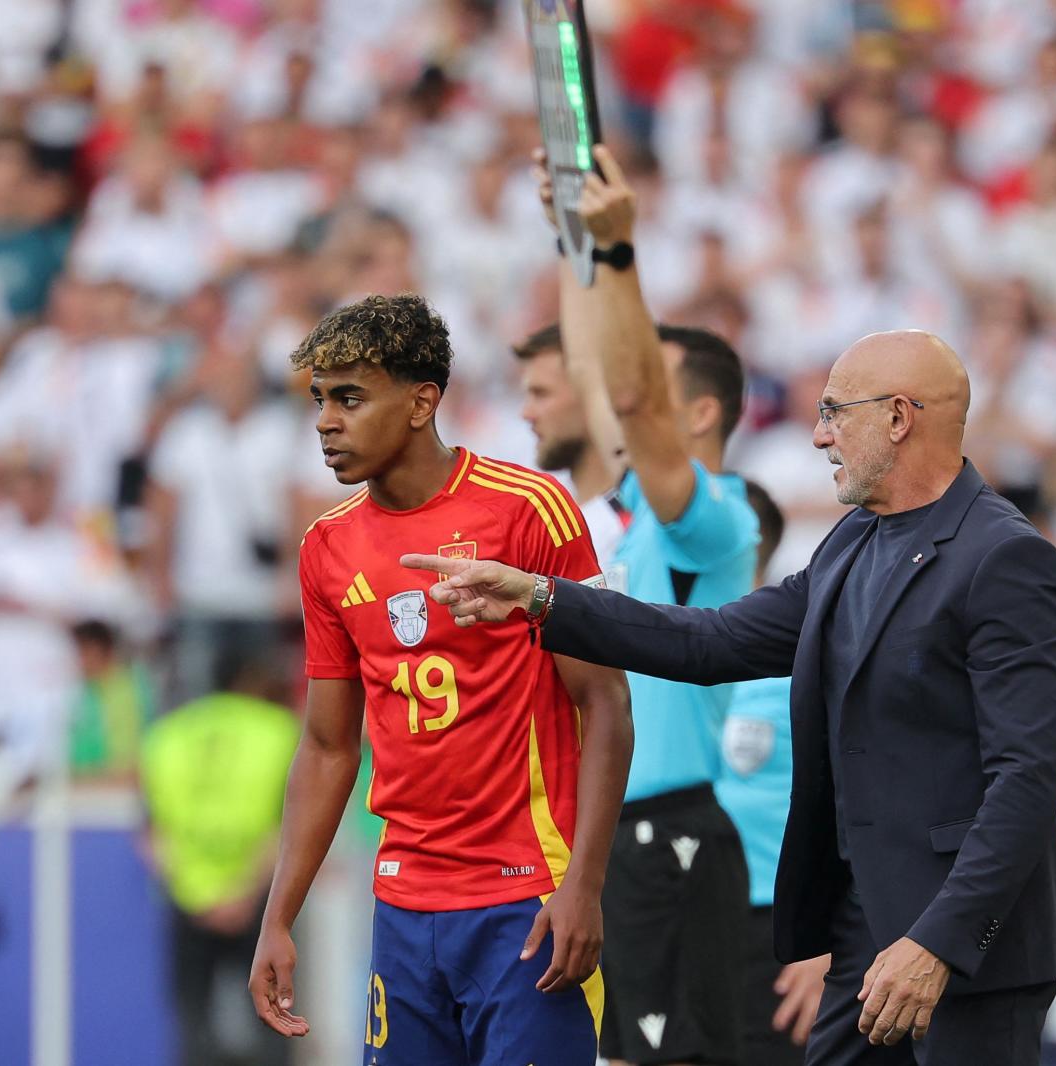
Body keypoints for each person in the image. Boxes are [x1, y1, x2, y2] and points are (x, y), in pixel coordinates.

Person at [404, 322, 1056, 1060]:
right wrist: (544, 599)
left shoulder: (1009, 560)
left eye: (835, 413)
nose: (820, 438)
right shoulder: (853, 542)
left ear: (899, 418)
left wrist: (940, 942)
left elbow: (1026, 781)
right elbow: (711, 641)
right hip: (868, 939)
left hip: (968, 951)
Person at [247, 293, 634, 1065]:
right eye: (321, 399)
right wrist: (277, 915)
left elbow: (606, 704)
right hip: (403, 903)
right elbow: (327, 748)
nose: (326, 420)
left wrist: (584, 884)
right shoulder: (327, 547)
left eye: (351, 398)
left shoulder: (530, 510)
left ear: (423, 402)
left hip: (526, 896)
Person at [543, 145, 759, 1064]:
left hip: (672, 830)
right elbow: (602, 377)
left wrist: (620, 254)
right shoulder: (632, 516)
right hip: (611, 837)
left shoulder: (715, 523)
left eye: (655, 390)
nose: (624, 404)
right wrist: (572, 238)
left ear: (698, 415)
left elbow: (626, 392)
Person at [141, 651, 301, 1066]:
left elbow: (150, 835)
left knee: (194, 1022)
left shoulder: (167, 734)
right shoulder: (281, 730)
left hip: (190, 898)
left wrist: (194, 894)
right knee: (275, 1020)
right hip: (262, 901)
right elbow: (290, 830)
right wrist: (243, 894)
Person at [721, 481, 829, 1062]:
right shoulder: (652, 656)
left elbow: (859, 807)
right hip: (677, 913)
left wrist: (831, 943)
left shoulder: (807, 660)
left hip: (779, 934)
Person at [512, 323, 628, 562]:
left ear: (595, 399)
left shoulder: (641, 523)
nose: (526, 413)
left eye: (541, 394)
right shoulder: (542, 520)